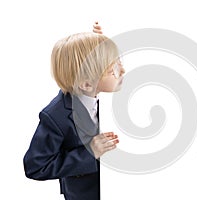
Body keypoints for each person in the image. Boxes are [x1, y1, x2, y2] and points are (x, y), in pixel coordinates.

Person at [23, 23, 125, 200]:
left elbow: (99, 73)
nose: (123, 70)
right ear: (86, 84)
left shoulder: (94, 90)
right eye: (114, 70)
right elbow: (36, 166)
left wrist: (102, 47)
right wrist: (89, 152)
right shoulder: (55, 116)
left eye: (119, 62)